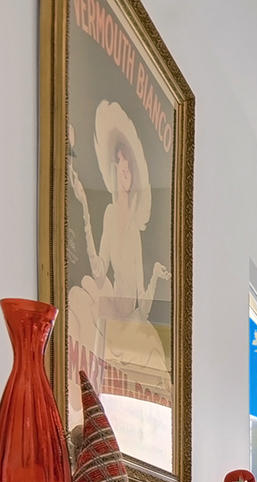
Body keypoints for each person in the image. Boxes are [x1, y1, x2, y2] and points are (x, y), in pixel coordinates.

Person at [66, 100, 171, 384]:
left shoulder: (135, 231)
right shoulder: (110, 216)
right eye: (120, 165)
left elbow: (142, 306)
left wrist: (154, 277)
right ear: (113, 169)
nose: (124, 172)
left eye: (128, 168)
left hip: (132, 327)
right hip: (112, 322)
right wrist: (86, 211)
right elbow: (99, 270)